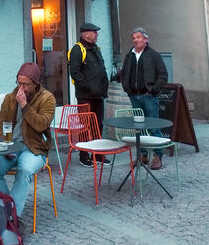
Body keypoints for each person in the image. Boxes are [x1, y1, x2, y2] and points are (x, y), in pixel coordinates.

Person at [0, 62, 55, 219]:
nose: (21, 88)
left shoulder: (47, 99)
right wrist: (5, 145)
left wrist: (24, 105)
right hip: (11, 146)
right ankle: (5, 209)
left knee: (24, 171)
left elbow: (41, 125)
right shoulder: (10, 98)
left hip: (35, 148)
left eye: (26, 84)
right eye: (19, 83)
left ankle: (12, 218)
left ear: (36, 84)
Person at [119, 27, 168, 170]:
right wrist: (127, 88)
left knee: (153, 127)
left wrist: (153, 90)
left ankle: (158, 157)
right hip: (134, 96)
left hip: (149, 97)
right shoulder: (130, 55)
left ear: (145, 39)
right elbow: (124, 73)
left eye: (138, 37)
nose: (136, 40)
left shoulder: (153, 56)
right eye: (134, 38)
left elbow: (163, 75)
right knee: (138, 128)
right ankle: (143, 155)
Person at [68, 22, 110, 167]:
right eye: (94, 32)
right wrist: (88, 87)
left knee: (98, 125)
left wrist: (104, 86)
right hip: (86, 96)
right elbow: (75, 72)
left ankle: (98, 155)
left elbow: (101, 69)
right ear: (85, 34)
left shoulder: (96, 49)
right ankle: (83, 155)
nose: (97, 34)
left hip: (98, 95)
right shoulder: (77, 50)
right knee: (85, 126)